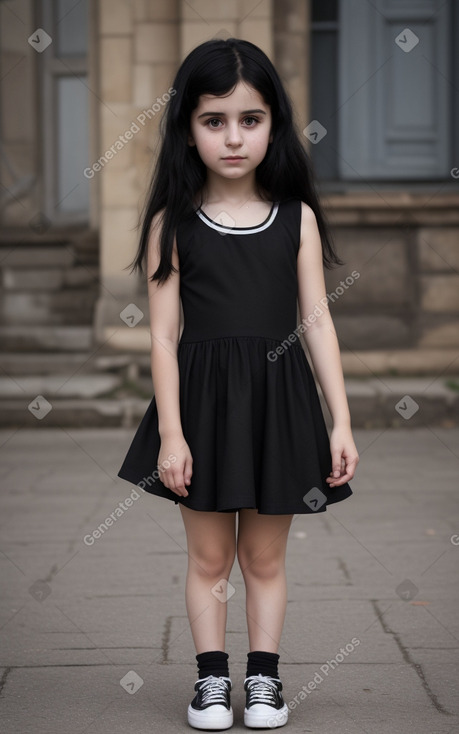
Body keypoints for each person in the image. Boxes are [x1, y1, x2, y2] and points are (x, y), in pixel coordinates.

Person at [117, 37, 359, 730]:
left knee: (263, 555)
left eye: (249, 120)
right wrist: (171, 432)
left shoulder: (297, 219)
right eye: (213, 120)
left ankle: (263, 682)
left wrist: (339, 421)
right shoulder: (173, 223)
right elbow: (163, 335)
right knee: (209, 554)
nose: (232, 137)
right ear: (186, 129)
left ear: (272, 125)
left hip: (279, 408)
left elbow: (316, 325)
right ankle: (210, 684)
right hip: (200, 408)